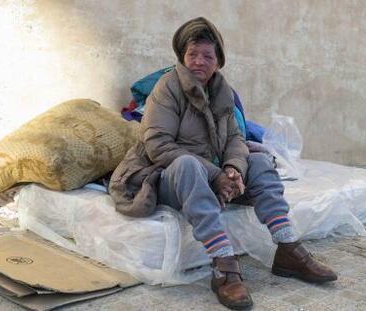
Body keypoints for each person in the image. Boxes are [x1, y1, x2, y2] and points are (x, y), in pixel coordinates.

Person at [110, 17, 337, 310]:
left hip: (209, 173)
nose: (198, 62)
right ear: (182, 56)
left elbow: (235, 139)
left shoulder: (222, 92)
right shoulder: (168, 88)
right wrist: (217, 174)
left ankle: (288, 248)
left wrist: (233, 170)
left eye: (207, 56)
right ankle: (224, 266)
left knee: (257, 160)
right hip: (163, 176)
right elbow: (158, 145)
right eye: (192, 54)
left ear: (218, 62)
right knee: (187, 165)